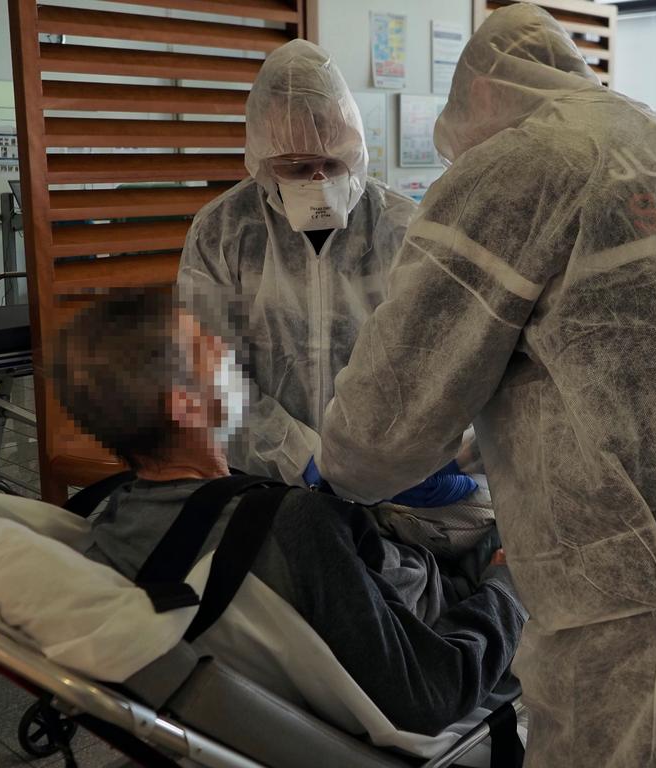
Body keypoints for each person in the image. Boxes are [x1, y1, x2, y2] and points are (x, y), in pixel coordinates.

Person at [312, 4, 656, 766]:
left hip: (654, 637)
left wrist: (340, 462)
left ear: (476, 107)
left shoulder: (515, 173)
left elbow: (377, 440)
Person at [48, 288, 526, 737]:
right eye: (207, 346)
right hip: (458, 621)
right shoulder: (292, 523)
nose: (229, 353)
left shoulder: (114, 521)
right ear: (187, 407)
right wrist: (507, 587)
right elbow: (432, 693)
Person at [178, 39, 473, 505]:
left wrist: (435, 456)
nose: (318, 181)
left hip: (388, 482)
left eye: (330, 164)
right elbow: (208, 373)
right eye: (295, 167)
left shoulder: (401, 227)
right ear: (262, 160)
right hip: (263, 482)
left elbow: (437, 358)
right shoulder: (222, 232)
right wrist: (298, 458)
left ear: (353, 151)